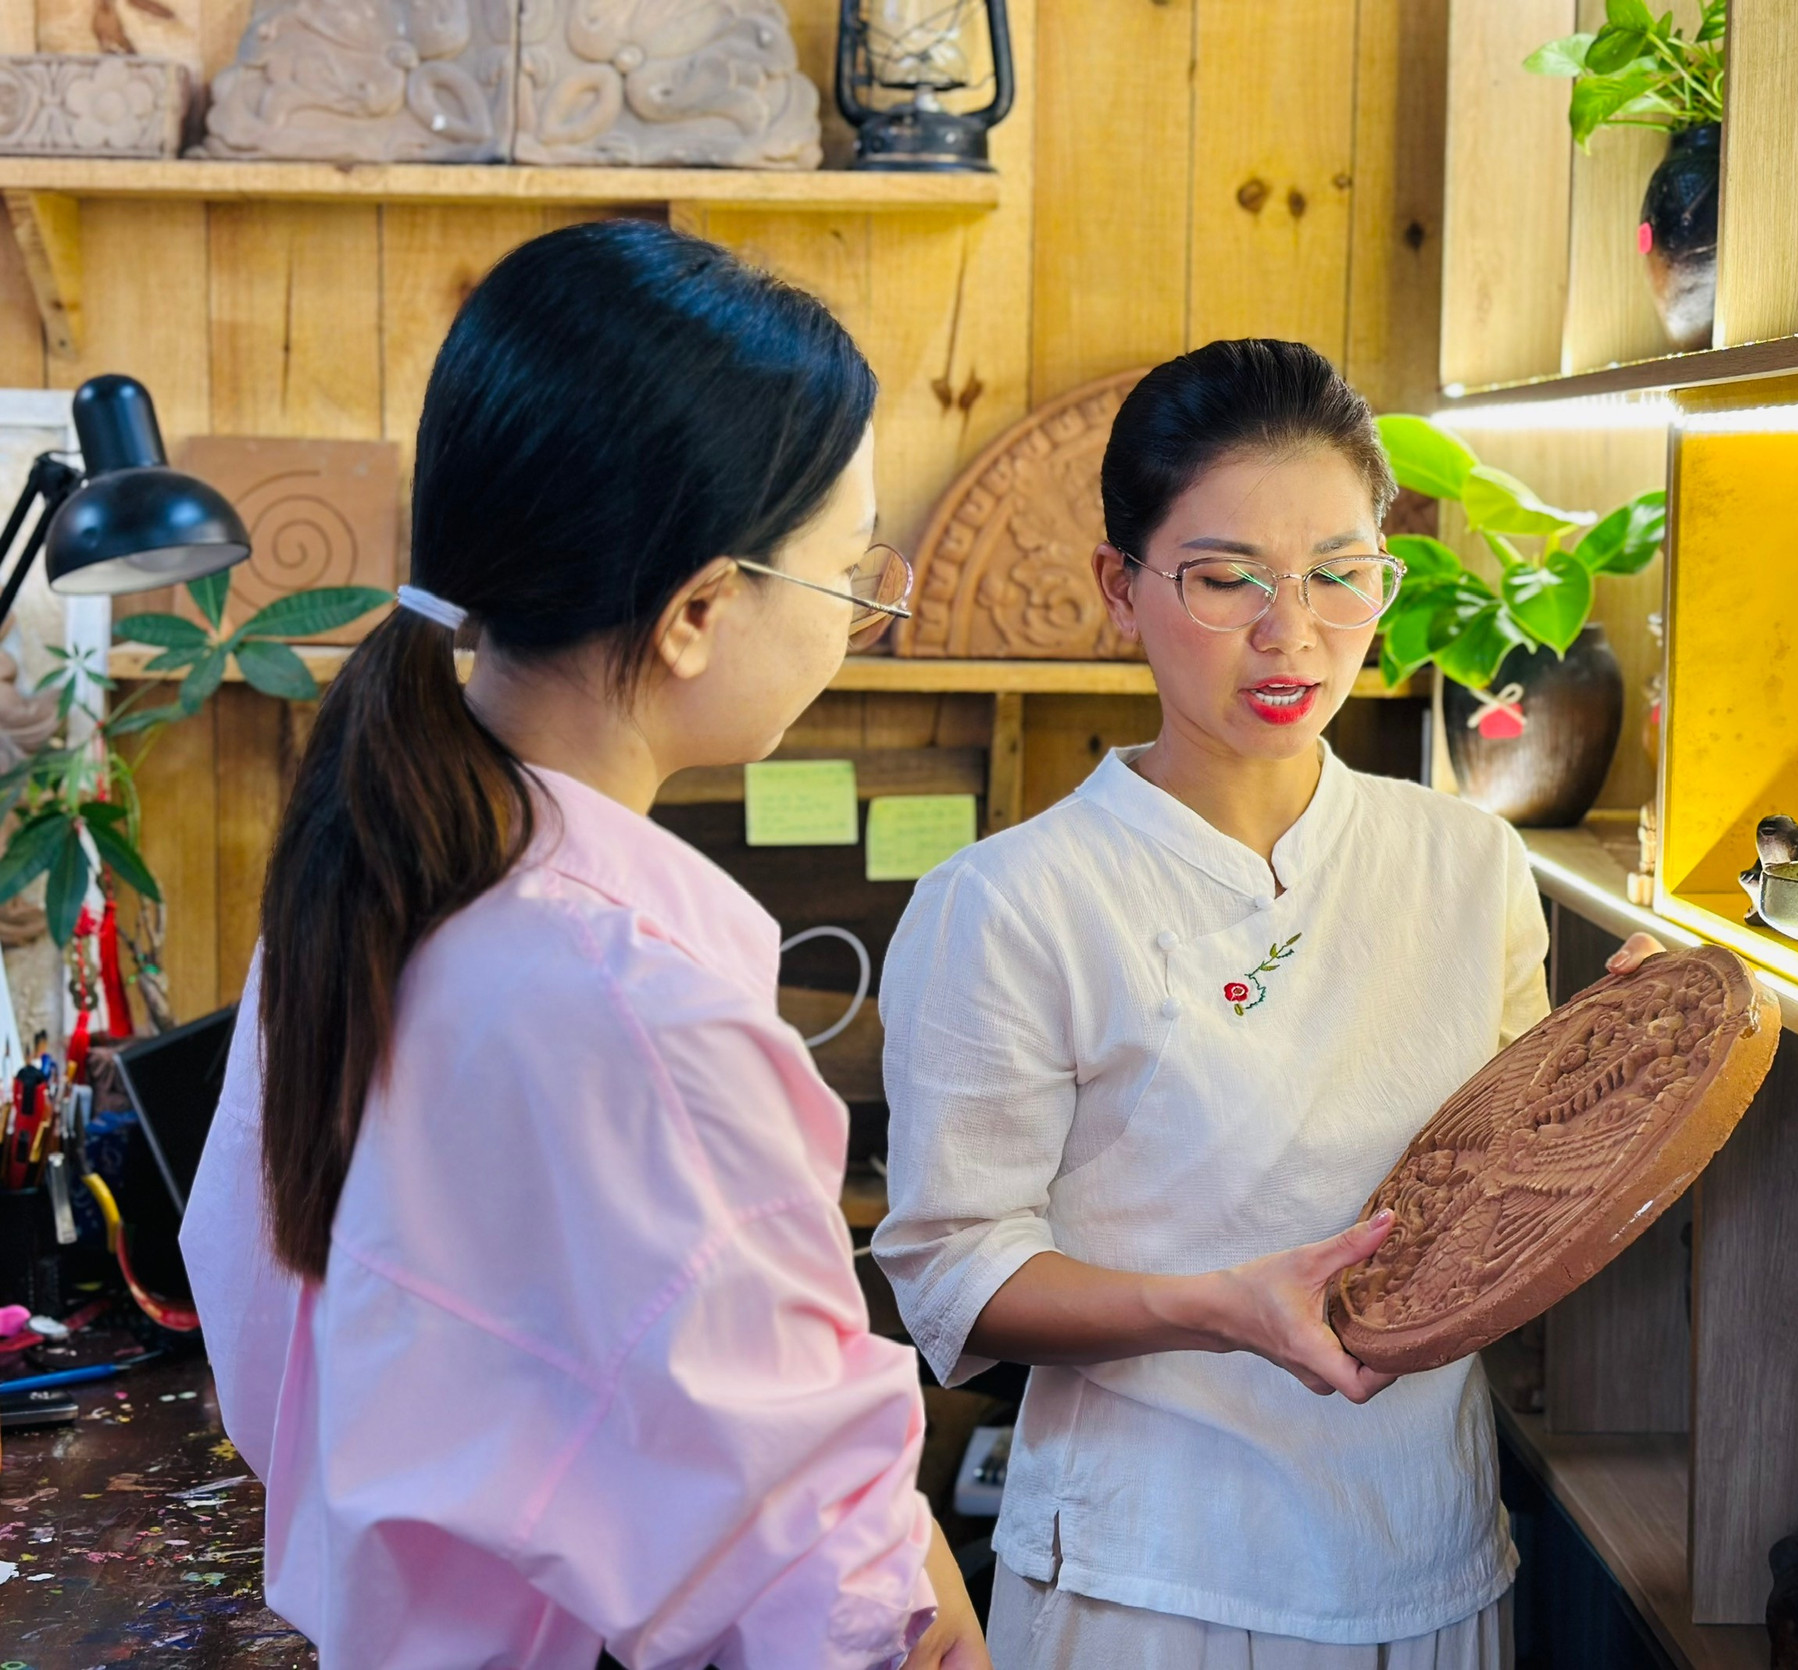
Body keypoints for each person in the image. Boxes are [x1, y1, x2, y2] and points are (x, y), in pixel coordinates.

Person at [181, 222, 989, 1670]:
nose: (862, 620)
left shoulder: (374, 864)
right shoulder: (636, 1000)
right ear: (695, 612)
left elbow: (260, 1334)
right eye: (852, 574)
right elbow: (833, 1579)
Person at [874, 339, 1657, 1669]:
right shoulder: (1005, 902)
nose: (1291, 631)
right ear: (1122, 587)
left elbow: (1501, 1194)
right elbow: (955, 1273)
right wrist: (1223, 1302)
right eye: (1226, 578)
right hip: (1147, 1577)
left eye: (1340, 574)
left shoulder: (1464, 861)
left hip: (1429, 1552)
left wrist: (1619, 1075)